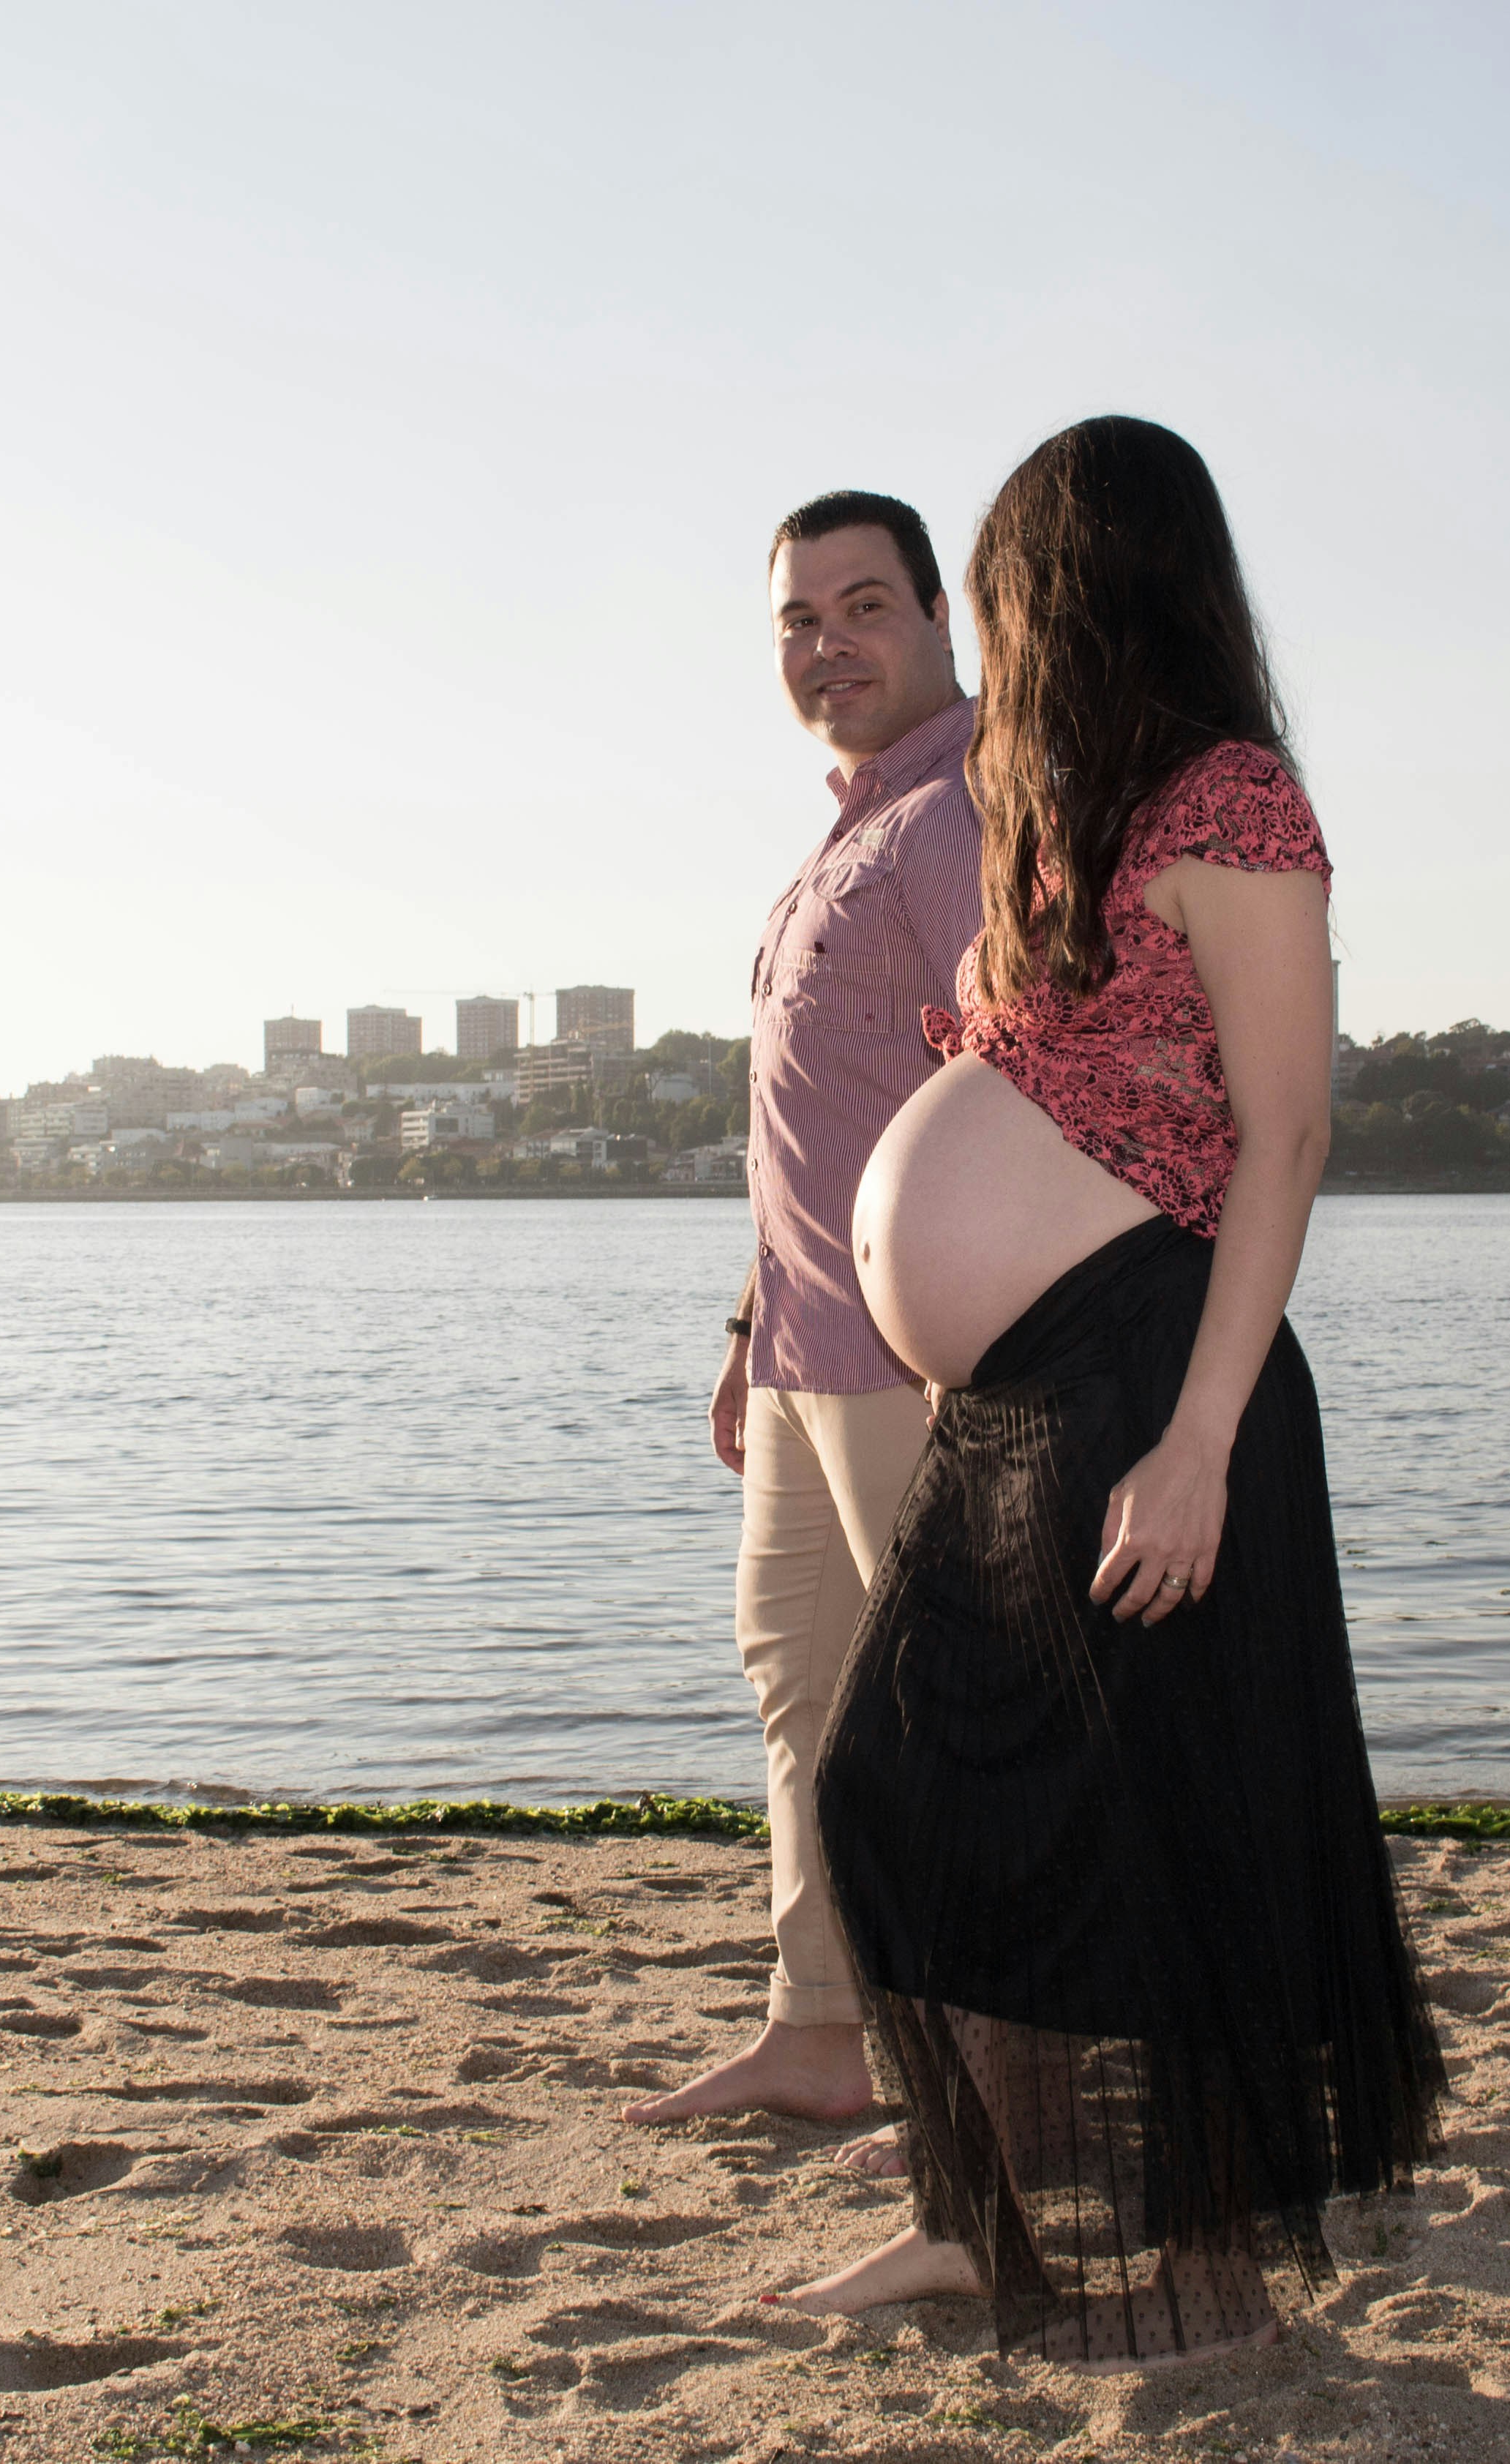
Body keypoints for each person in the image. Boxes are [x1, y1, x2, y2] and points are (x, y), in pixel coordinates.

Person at [784, 416, 1445, 2365]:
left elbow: (1289, 1135)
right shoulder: (1073, 814)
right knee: (895, 1793)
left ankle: (1194, 2273)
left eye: (999, 587)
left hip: (1154, 1372)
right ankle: (972, 2218)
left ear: (1072, 584)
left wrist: (1198, 1446)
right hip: (1023, 1392)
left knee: (1159, 1837)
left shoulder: (1232, 801)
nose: (990, 627)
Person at [623, 493, 980, 2149]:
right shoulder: (844, 833)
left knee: (953, 1713)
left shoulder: (962, 814)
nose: (825, 644)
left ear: (934, 618)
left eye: (862, 607)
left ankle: (1001, 2069)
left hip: (923, 1358)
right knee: (805, 1688)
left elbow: (1023, 1088)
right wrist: (744, 1323)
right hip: (798, 1351)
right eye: (794, 619)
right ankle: (821, 2031)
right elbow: (818, 1123)